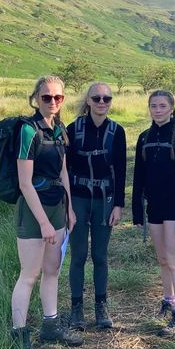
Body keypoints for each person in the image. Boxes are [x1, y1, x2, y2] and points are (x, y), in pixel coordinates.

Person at [10, 75, 83, 349]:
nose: (53, 102)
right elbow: (25, 183)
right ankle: (19, 335)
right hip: (33, 210)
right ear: (36, 98)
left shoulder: (59, 129)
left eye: (58, 97)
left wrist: (70, 209)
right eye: (47, 97)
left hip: (57, 206)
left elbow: (63, 171)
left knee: (52, 270)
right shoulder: (28, 131)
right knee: (29, 275)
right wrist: (42, 223)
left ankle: (50, 325)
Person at [132, 90, 175, 337]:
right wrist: (138, 211)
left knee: (174, 259)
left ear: (171, 108)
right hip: (155, 207)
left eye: (162, 106)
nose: (157, 110)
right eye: (153, 106)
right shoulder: (144, 138)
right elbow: (138, 176)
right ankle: (168, 301)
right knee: (161, 259)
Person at [66, 82, 127, 330]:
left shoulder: (117, 131)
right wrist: (68, 206)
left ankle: (101, 307)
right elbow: (65, 171)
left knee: (100, 256)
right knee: (78, 256)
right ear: (88, 101)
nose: (102, 102)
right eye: (97, 98)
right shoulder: (73, 129)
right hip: (78, 199)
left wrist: (118, 205)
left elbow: (121, 171)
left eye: (107, 98)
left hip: (105, 200)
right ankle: (76, 308)